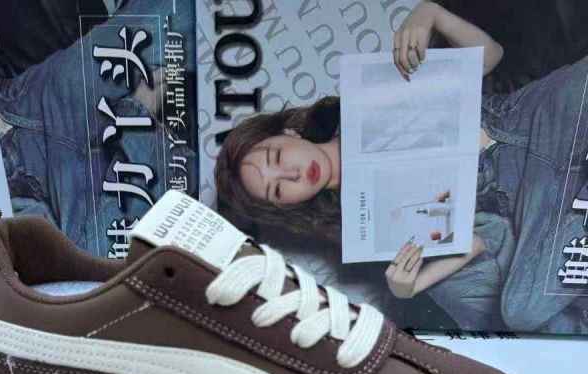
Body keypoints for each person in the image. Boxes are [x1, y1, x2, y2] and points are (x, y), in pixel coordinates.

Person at [215, 1, 588, 333]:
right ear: (287, 204)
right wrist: (409, 287)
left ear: (289, 133)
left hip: (541, 119)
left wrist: (431, 13)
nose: (292, 174)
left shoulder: (366, 96)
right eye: (278, 189)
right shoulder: (365, 229)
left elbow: (491, 55)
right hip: (540, 198)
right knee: (520, 312)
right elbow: (475, 245)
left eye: (277, 157)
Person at [0, 0, 194, 287]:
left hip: (37, 102)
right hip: (47, 181)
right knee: (94, 269)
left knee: (174, 14)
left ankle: (144, 135)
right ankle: (142, 132)